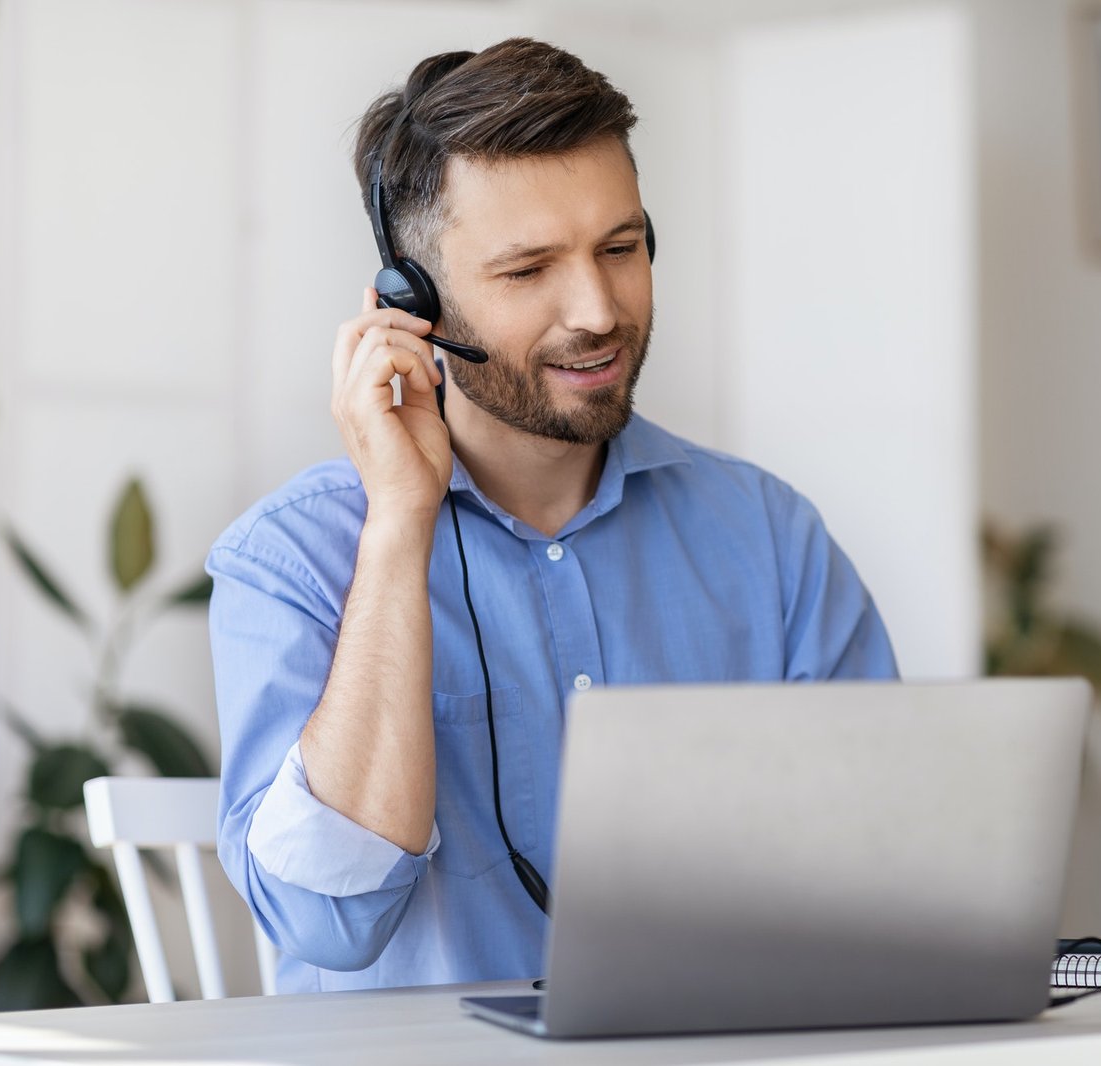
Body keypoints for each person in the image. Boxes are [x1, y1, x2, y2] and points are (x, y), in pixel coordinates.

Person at [208, 37, 898, 994]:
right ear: (413, 305)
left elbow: (891, 872)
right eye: (528, 270)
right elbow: (329, 920)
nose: (597, 310)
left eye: (620, 249)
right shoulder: (291, 559)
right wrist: (401, 526)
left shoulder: (769, 538)